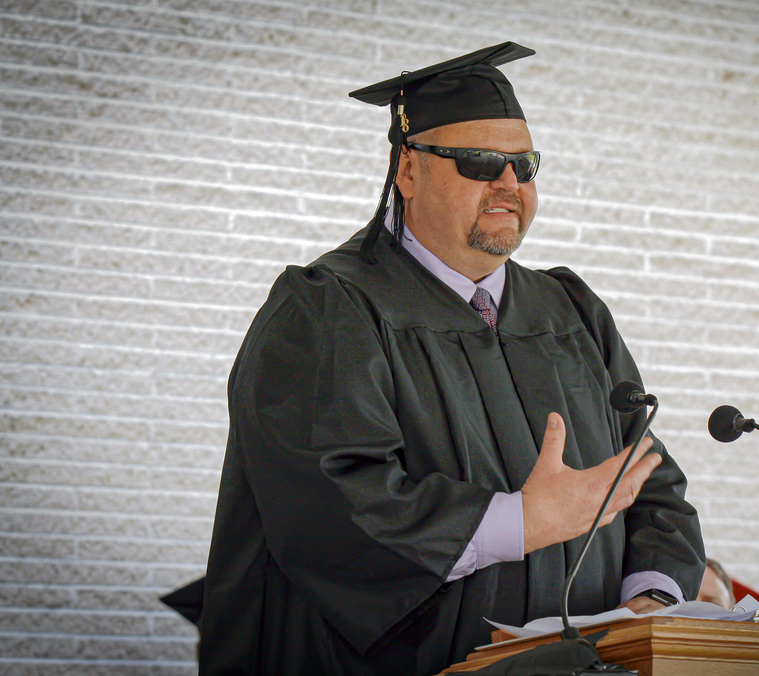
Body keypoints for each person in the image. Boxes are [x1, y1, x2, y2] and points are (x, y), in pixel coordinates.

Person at [199, 42, 705, 675]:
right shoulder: (329, 308)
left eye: (524, 164)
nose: (508, 184)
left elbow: (647, 481)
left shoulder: (569, 311)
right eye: (479, 162)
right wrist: (520, 522)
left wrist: (651, 601)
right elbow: (327, 508)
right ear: (408, 170)